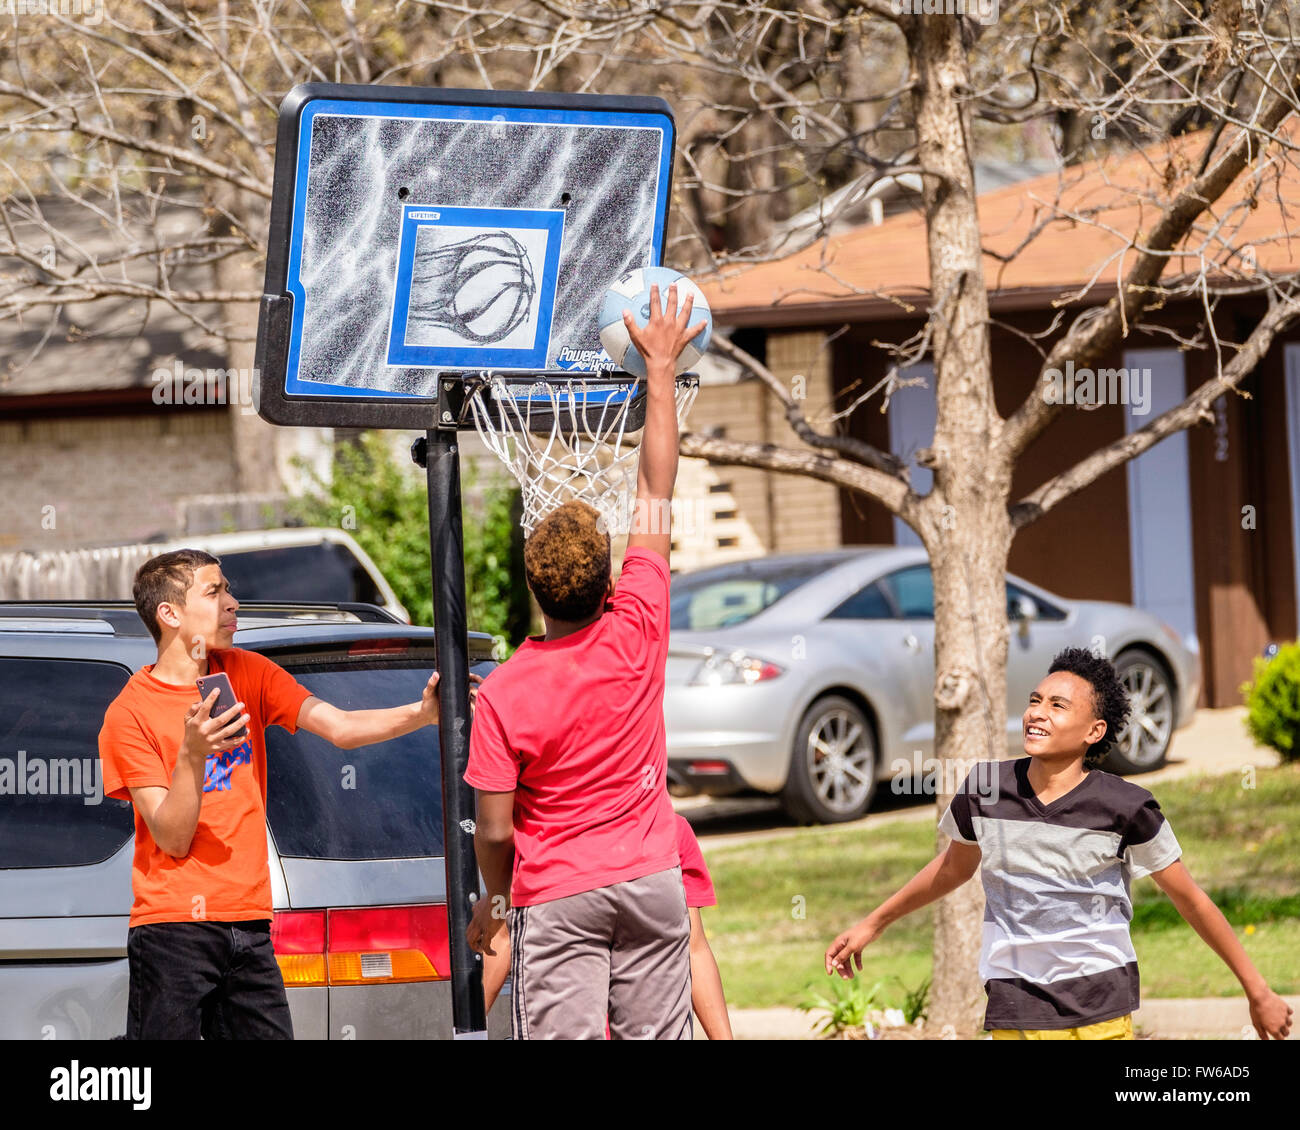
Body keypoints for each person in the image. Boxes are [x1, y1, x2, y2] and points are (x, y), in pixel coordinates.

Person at [824, 646, 1294, 1041]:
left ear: (1094, 731)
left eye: (1057, 705)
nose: (1037, 712)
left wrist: (1257, 990)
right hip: (1014, 1005)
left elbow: (1190, 900)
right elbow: (953, 868)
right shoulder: (985, 788)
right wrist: (873, 923)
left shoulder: (1126, 807)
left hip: (1096, 1012)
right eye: (1035, 700)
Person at [463, 282, 705, 1039]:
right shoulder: (639, 623)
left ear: (531, 588)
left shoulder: (502, 694)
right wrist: (659, 373)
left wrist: (498, 903)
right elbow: (655, 490)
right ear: (609, 580)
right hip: (651, 880)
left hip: (560, 894)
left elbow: (496, 832)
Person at [99, 549, 443, 1040]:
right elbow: (173, 838)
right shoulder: (129, 713)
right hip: (173, 929)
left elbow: (340, 728)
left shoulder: (248, 672)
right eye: (214, 592)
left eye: (228, 590)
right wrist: (192, 755)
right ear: (170, 614)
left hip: (250, 924)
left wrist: (422, 713)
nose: (232, 603)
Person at [476, 812, 734, 1039]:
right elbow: (502, 935)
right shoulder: (539, 840)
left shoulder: (670, 830)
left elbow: (694, 948)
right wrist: (468, 1031)